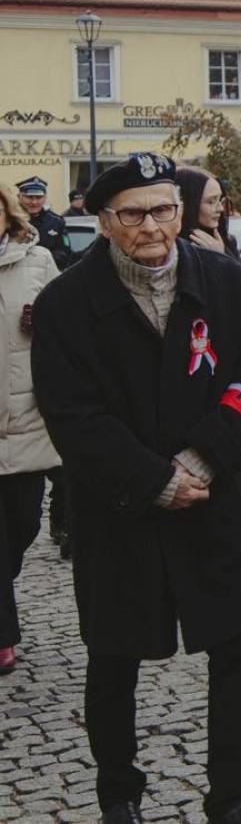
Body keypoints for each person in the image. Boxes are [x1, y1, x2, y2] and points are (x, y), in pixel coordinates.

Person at [31, 152, 241, 824]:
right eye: (134, 212)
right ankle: (119, 794)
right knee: (113, 657)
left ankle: (232, 795)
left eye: (165, 208)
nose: (153, 225)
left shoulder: (226, 282)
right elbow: (72, 414)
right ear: (104, 221)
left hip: (215, 501)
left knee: (236, 650)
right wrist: (152, 479)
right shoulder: (65, 303)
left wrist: (201, 461)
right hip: (119, 511)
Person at [0, 183, 60, 677]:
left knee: (22, 527)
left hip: (24, 422)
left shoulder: (38, 261)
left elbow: (67, 331)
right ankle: (4, 634)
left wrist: (47, 323)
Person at [176, 167, 241, 260]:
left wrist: (222, 257)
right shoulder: (171, 250)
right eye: (211, 201)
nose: (220, 208)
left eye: (220, 200)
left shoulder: (227, 242)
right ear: (190, 204)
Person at [17, 176, 70, 270]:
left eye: (39, 197)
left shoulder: (56, 222)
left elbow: (64, 252)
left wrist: (41, 259)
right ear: (19, 197)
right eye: (29, 197)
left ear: (45, 197)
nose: (34, 202)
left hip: (47, 275)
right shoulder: (10, 220)